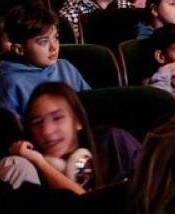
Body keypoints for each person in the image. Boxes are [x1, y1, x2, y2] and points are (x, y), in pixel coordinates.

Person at [10, 82, 139, 192]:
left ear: (78, 121)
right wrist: (41, 164)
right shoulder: (29, 170)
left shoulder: (115, 142)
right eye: (37, 123)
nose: (47, 131)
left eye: (57, 118)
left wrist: (43, 165)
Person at [0, 2, 89, 116]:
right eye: (43, 41)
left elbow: (89, 107)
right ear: (19, 49)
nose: (54, 47)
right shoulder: (9, 84)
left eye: (56, 37)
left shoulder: (65, 67)